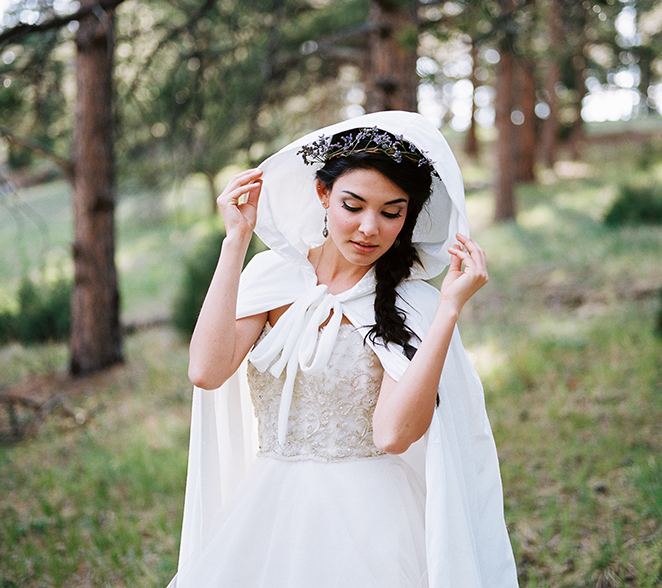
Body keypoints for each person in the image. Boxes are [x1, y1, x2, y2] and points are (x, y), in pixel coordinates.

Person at [167, 111, 518, 588]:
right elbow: (206, 371)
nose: (369, 228)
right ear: (323, 195)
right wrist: (236, 242)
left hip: (371, 522)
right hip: (269, 509)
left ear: (407, 217)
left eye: (391, 212)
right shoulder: (273, 277)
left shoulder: (414, 304)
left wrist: (448, 311)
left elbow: (393, 434)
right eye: (353, 205)